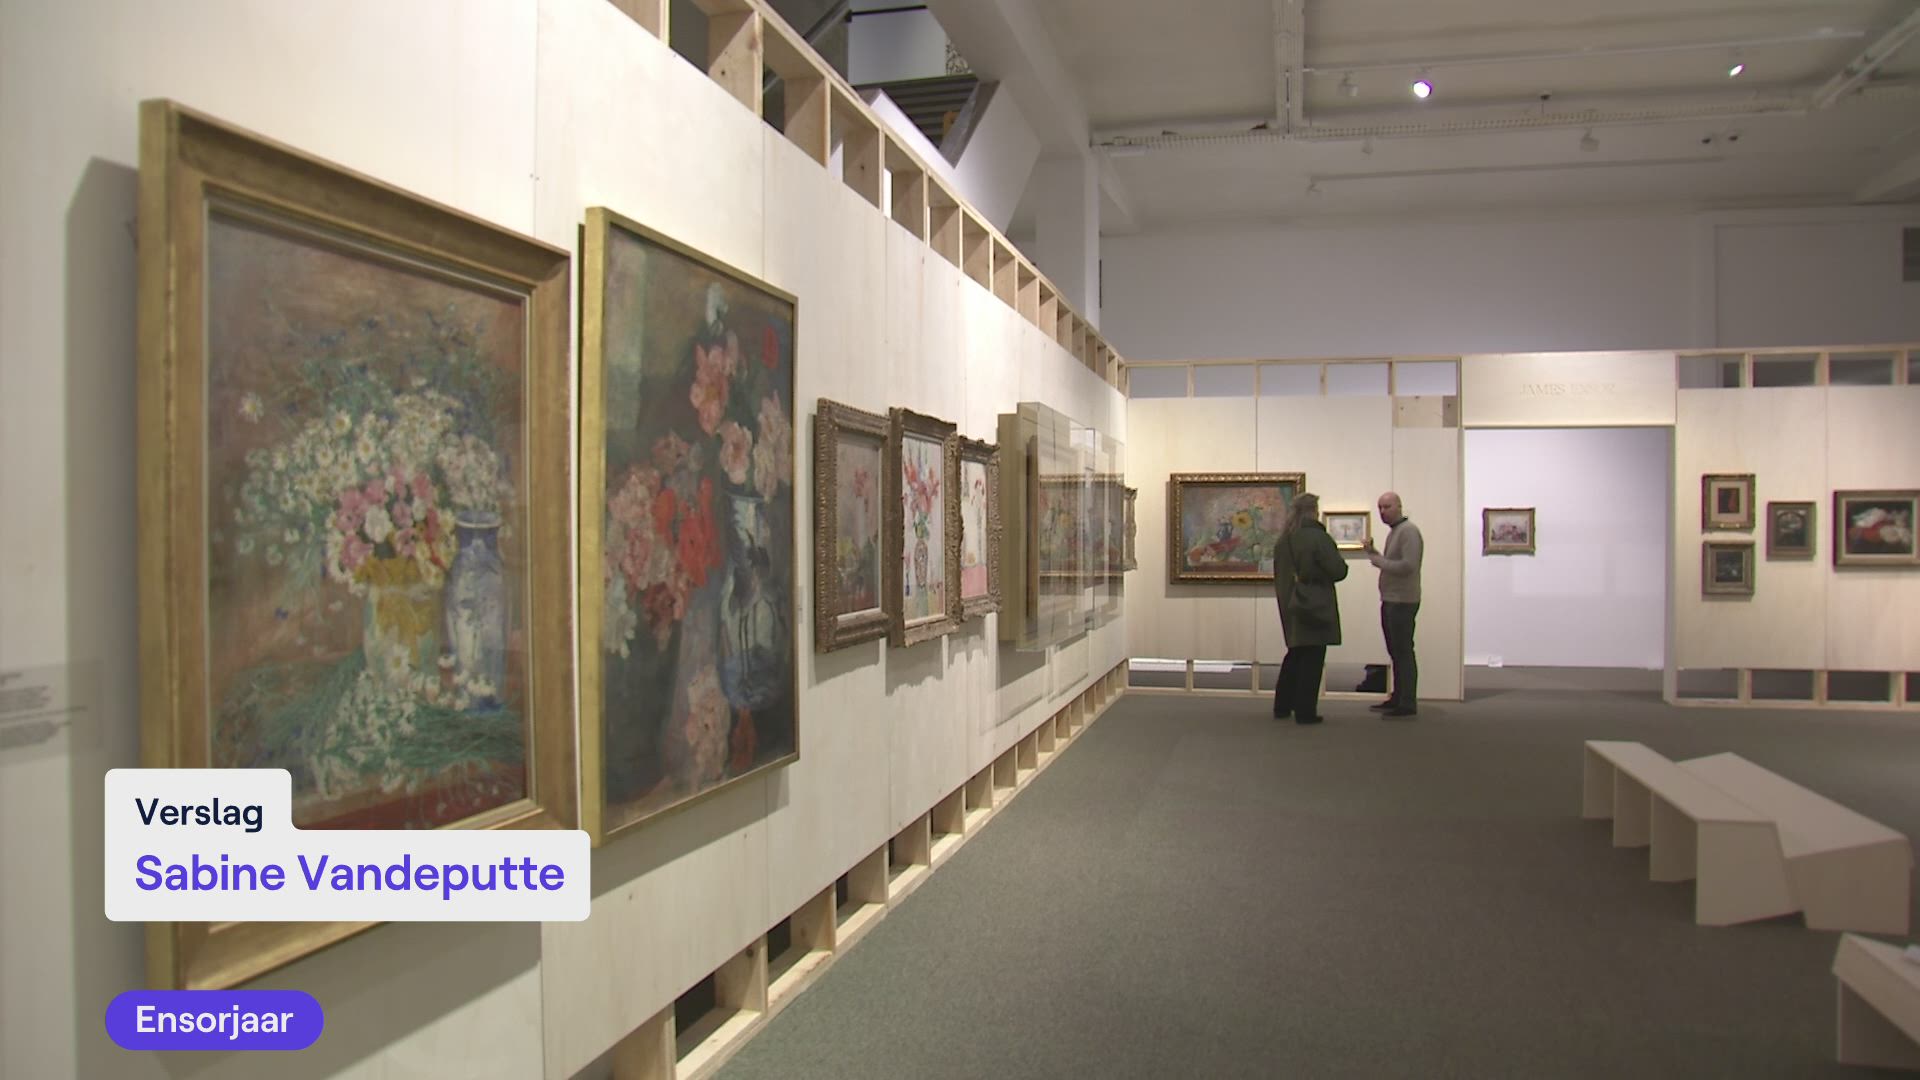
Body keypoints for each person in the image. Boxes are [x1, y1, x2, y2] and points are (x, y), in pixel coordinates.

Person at [1271, 493, 1347, 725]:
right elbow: (1338, 570)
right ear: (1314, 510)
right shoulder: (1318, 538)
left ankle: (1283, 705)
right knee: (1313, 656)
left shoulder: (1284, 540)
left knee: (1295, 653)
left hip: (1290, 601)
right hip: (1315, 602)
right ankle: (1305, 710)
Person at [1360, 491, 1423, 718]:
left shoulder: (1408, 531)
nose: (1382, 512)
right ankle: (1399, 696)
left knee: (1403, 651)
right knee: (1396, 652)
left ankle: (1407, 702)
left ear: (1399, 506)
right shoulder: (1396, 531)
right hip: (1391, 599)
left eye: (1387, 507)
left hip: (1402, 600)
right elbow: (1393, 563)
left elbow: (1408, 566)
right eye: (1380, 507)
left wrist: (1378, 561)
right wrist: (1374, 553)